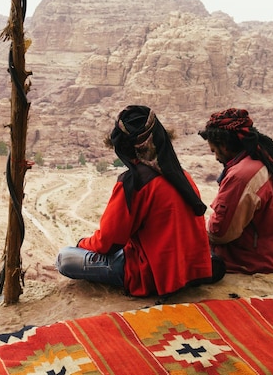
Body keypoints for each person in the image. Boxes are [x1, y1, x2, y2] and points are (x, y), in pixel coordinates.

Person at [56, 105, 224, 297]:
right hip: (189, 266)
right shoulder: (181, 175)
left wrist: (82, 243)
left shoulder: (134, 183)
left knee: (66, 258)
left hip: (152, 273)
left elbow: (108, 243)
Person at [198, 108, 273, 275]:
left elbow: (221, 233)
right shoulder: (271, 156)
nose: (216, 157)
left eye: (214, 150)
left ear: (224, 145)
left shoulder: (242, 175)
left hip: (258, 263)